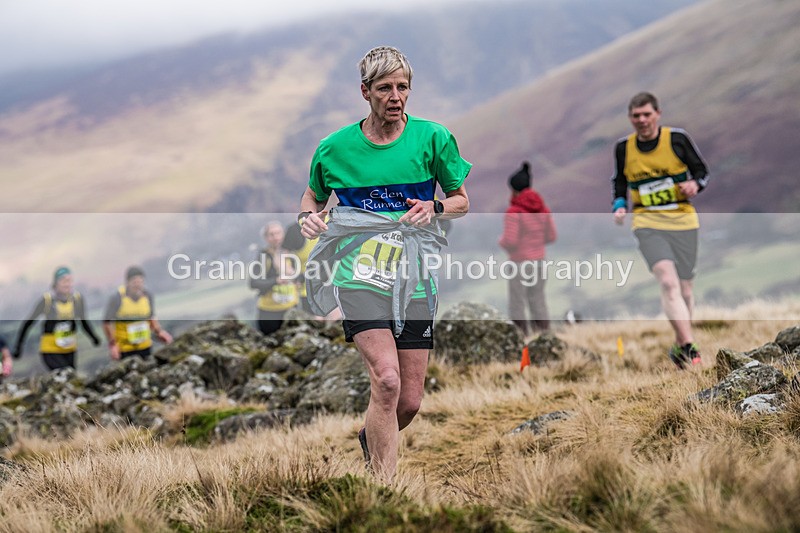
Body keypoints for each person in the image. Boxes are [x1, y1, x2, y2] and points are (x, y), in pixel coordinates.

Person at [298, 46, 471, 481]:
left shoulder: (433, 138)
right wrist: (308, 219)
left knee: (409, 402)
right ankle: (385, 491)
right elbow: (312, 198)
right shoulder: (334, 148)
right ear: (365, 92)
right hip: (360, 277)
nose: (396, 96)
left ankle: (372, 438)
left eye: (403, 87)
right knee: (387, 381)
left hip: (413, 278)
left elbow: (462, 202)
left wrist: (434, 207)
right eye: (385, 88)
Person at [611, 92, 710, 368]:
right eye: (635, 116)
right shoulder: (623, 148)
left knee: (685, 288)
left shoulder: (677, 140)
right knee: (668, 282)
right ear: (630, 118)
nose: (641, 120)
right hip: (647, 222)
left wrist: (695, 185)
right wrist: (619, 205)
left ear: (658, 114)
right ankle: (691, 349)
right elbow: (619, 181)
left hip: (682, 220)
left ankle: (680, 345)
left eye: (646, 114)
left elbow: (701, 171)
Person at [498, 162, 556, 336]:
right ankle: (544, 337)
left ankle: (521, 338)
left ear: (514, 189)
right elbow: (551, 236)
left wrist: (501, 241)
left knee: (517, 302)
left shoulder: (514, 211)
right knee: (538, 300)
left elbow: (510, 240)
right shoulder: (543, 209)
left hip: (519, 263)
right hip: (539, 262)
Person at [13, 266, 100, 371]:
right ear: (56, 283)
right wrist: (18, 347)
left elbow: (83, 321)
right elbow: (28, 323)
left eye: (69, 281)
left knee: (70, 379)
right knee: (63, 375)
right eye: (63, 281)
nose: (67, 284)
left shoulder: (77, 299)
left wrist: (94, 338)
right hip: (51, 350)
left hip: (69, 349)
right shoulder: (47, 301)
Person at [102, 266, 172, 360]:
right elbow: (106, 323)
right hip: (124, 349)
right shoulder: (117, 298)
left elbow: (151, 317)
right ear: (127, 282)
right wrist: (112, 345)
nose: (138, 285)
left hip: (145, 346)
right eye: (134, 282)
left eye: (140, 282)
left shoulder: (148, 296)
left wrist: (160, 332)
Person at [248, 222, 300, 335]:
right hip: (269, 312)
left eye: (278, 233)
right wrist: (275, 281)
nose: (276, 237)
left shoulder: (293, 253)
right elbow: (253, 283)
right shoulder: (263, 257)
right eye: (271, 234)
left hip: (291, 309)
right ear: (266, 238)